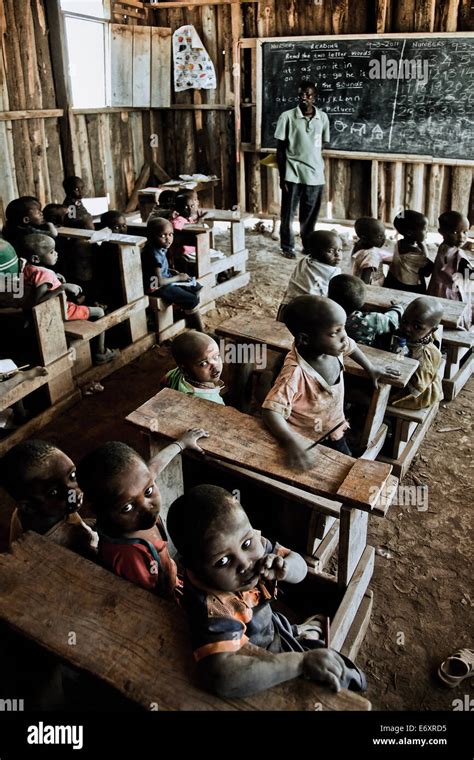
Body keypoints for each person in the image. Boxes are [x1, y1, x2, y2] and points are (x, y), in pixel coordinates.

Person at [166, 484, 366, 698]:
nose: (245, 563)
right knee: (334, 680)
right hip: (257, 662)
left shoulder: (255, 546)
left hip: (275, 629)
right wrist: (300, 663)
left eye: (246, 543)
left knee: (347, 672)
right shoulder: (211, 606)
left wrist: (287, 568)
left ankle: (304, 633)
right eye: (223, 561)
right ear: (195, 570)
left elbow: (301, 572)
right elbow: (221, 677)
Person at [262, 295, 391, 466]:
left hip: (334, 426)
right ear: (305, 339)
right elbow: (271, 411)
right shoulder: (295, 373)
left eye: (343, 328)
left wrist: (371, 368)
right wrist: (290, 442)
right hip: (305, 439)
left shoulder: (332, 348)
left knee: (346, 462)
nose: (344, 336)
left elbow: (352, 347)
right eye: (335, 332)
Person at [76, 431, 208, 596]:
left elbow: (153, 468)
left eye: (149, 491)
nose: (147, 507)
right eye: (127, 508)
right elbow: (153, 596)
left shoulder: (137, 483)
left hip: (175, 578)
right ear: (100, 512)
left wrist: (181, 444)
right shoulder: (128, 555)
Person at [20, 234, 118, 365]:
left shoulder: (27, 268)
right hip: (59, 312)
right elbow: (37, 304)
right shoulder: (44, 274)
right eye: (51, 252)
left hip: (51, 310)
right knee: (100, 312)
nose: (56, 253)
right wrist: (62, 288)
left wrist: (54, 276)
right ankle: (100, 352)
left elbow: (36, 281)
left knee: (86, 304)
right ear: (36, 258)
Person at [0, 439, 97, 556]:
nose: (73, 492)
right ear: (28, 506)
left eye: (72, 475)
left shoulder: (34, 510)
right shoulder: (61, 539)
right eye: (54, 492)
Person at [275, 81, 330, 259]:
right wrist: (282, 176)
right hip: (293, 173)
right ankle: (287, 246)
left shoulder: (322, 117)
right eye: (301, 95)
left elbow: (321, 144)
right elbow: (281, 149)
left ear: (315, 97)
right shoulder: (287, 117)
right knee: (288, 213)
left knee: (309, 215)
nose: (304, 98)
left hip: (315, 174)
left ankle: (308, 245)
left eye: (308, 95)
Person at [141, 216, 204, 331]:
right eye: (163, 235)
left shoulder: (158, 247)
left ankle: (187, 313)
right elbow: (158, 281)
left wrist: (172, 273)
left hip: (164, 280)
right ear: (150, 236)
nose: (168, 239)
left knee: (196, 287)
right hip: (155, 287)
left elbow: (160, 271)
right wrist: (178, 277)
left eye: (171, 234)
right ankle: (201, 330)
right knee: (192, 299)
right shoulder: (153, 255)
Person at [390, 296, 444, 410]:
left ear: (432, 330)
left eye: (416, 327)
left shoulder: (425, 355)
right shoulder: (411, 335)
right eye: (404, 321)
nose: (407, 328)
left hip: (414, 395)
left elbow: (417, 388)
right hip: (401, 379)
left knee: (367, 396)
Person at [277, 230, 342, 319]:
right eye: (330, 251)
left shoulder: (305, 260)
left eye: (339, 250)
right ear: (315, 252)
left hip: (287, 305)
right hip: (309, 312)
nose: (337, 254)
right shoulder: (332, 272)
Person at [328, 274, 403, 348]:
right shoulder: (372, 320)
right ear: (362, 302)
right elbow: (393, 321)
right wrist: (397, 307)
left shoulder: (323, 316)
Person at [428, 211, 472, 329]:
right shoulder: (454, 253)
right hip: (448, 292)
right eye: (455, 232)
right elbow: (468, 274)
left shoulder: (445, 246)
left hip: (439, 288)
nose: (462, 236)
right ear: (442, 232)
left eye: (465, 232)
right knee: (452, 314)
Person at [161, 331, 225, 404]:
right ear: (184, 370)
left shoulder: (177, 373)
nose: (215, 365)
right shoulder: (208, 402)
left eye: (216, 356)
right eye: (204, 363)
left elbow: (164, 381)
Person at [384, 210, 433, 294]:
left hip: (393, 281)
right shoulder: (415, 253)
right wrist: (423, 246)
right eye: (425, 229)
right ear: (410, 232)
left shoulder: (399, 243)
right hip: (409, 288)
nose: (427, 231)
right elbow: (428, 271)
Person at [351, 217, 391, 286]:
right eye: (379, 236)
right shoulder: (372, 255)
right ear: (364, 238)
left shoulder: (359, 245)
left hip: (357, 280)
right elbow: (365, 282)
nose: (384, 238)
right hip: (373, 287)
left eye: (384, 235)